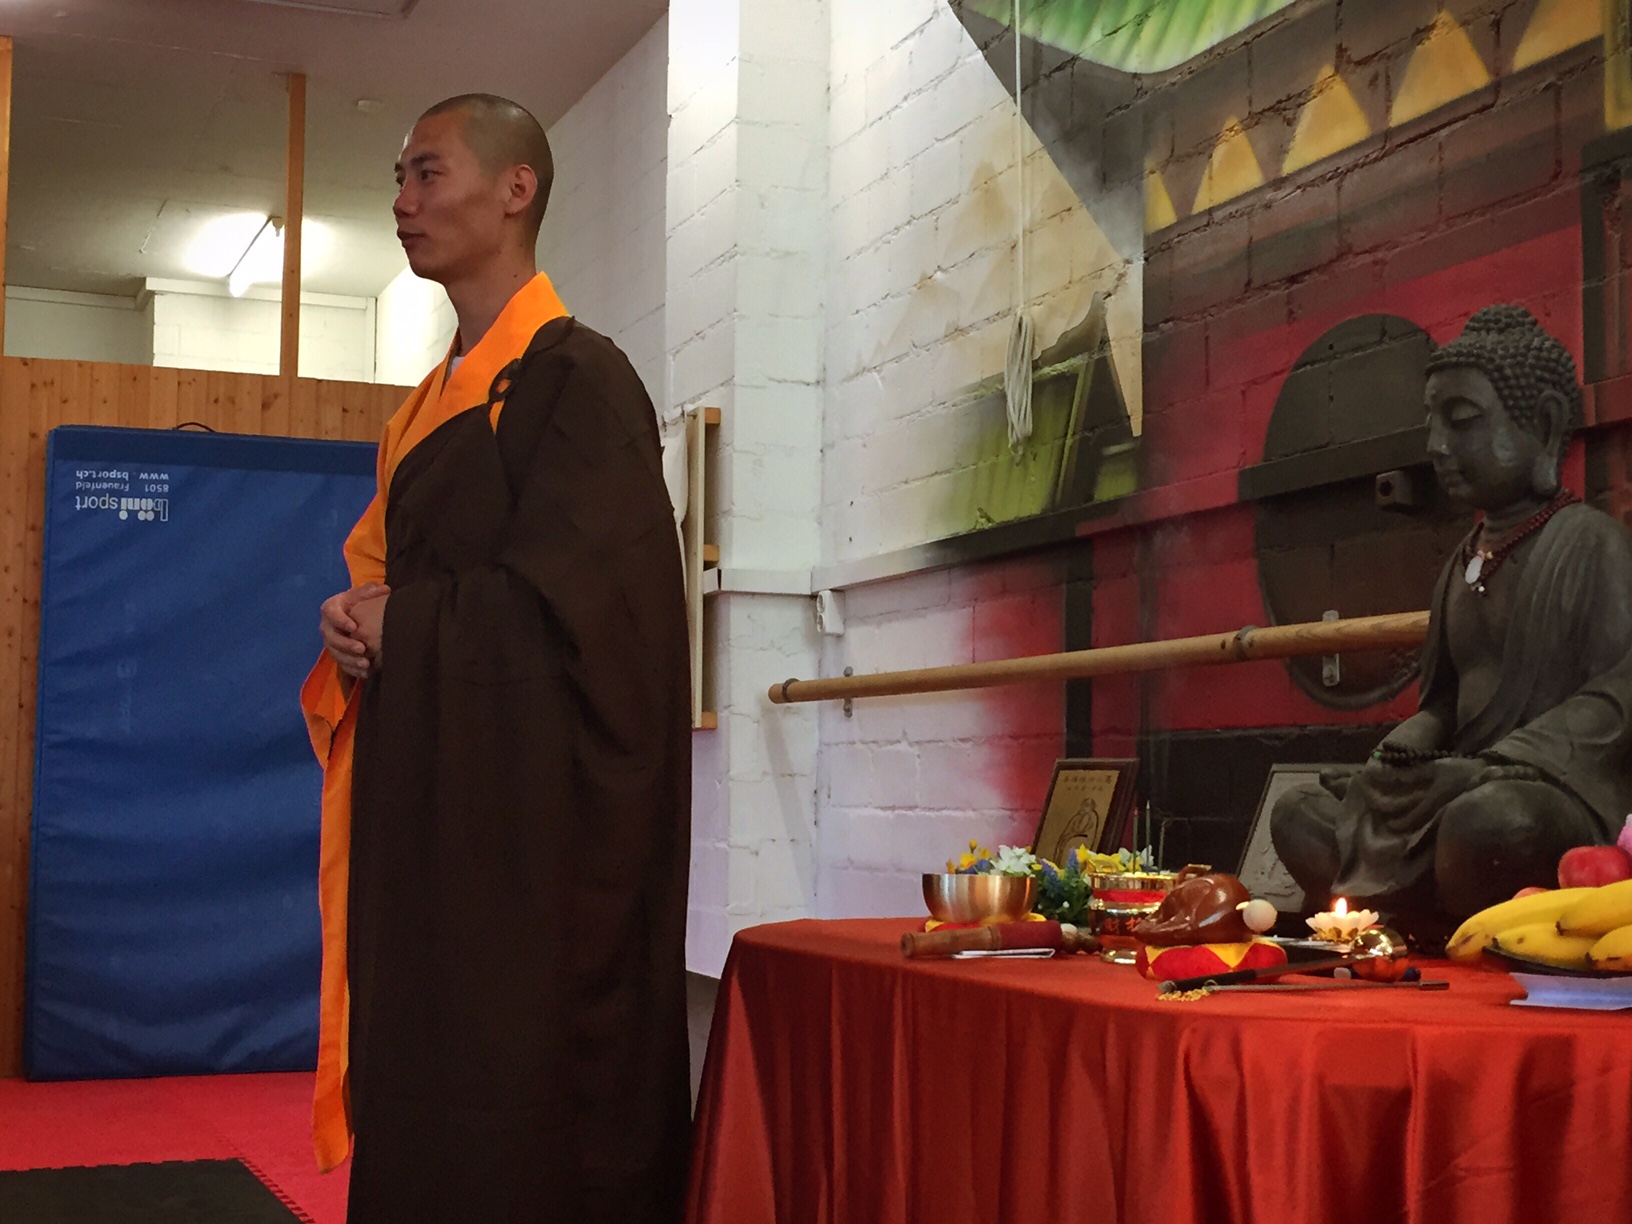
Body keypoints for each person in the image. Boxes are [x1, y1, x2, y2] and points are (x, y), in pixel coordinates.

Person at [300, 93, 691, 1223]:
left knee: (517, 1113)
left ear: (516, 189)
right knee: (420, 1079)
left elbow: (597, 623)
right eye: (399, 178)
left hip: (537, 851)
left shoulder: (579, 380)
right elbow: (391, 579)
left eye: (427, 173)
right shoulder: (424, 409)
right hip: (432, 818)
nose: (402, 201)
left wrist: (413, 628)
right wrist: (354, 626)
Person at [1270, 305, 1632, 932]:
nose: (1436, 446)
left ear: (1546, 426)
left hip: (1551, 791)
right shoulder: (1461, 565)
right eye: (1432, 423)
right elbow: (1443, 703)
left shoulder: (1593, 545)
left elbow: (1619, 696)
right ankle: (1416, 915)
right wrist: (1396, 758)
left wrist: (1491, 767)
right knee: (1298, 812)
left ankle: (1425, 910)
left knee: (1491, 825)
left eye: (1462, 421)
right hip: (1456, 784)